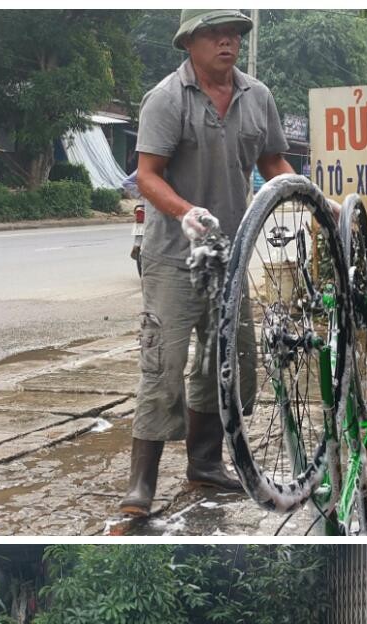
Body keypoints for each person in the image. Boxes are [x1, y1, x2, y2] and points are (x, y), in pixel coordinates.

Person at [121, 9, 295, 516]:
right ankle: (142, 485)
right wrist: (185, 211)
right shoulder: (167, 99)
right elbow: (146, 175)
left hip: (230, 257)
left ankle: (204, 464)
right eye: (215, 34)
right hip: (174, 256)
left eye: (235, 34)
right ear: (189, 42)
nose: (228, 42)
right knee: (163, 364)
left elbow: (273, 163)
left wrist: (312, 197)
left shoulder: (257, 96)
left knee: (230, 364)